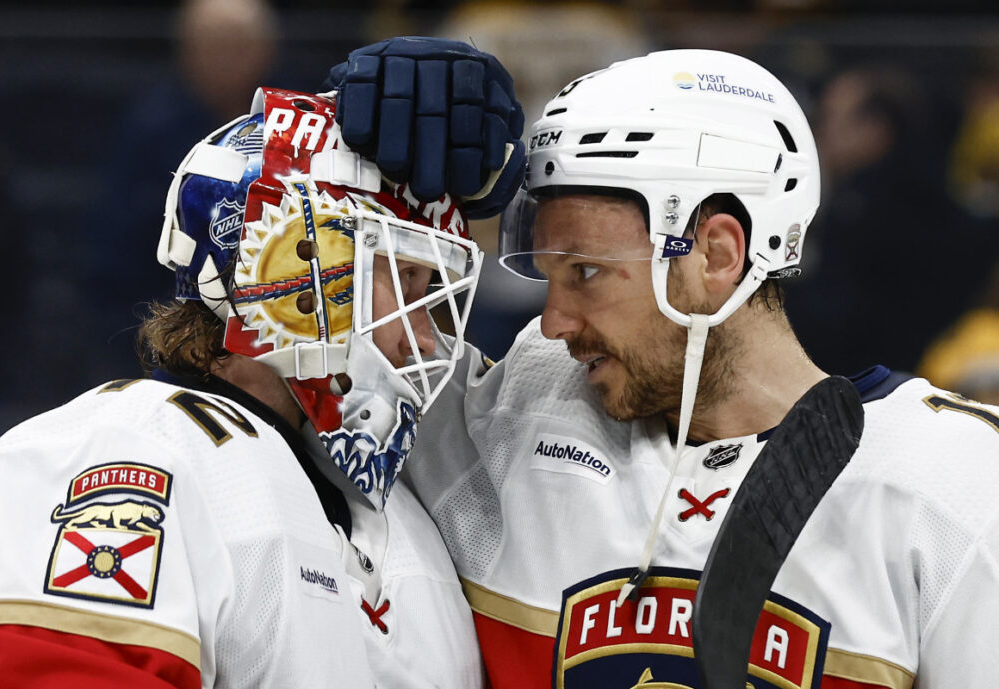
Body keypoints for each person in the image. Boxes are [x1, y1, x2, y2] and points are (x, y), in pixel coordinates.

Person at [379, 49, 999, 689]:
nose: (552, 322)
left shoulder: (949, 486)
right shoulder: (512, 417)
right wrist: (356, 157)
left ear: (716, 253)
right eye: (551, 277)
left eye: (586, 272)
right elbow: (313, 353)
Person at [0, 87, 491, 688]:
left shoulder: (409, 514)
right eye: (403, 280)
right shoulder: (127, 447)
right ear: (296, 268)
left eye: (431, 289)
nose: (425, 340)